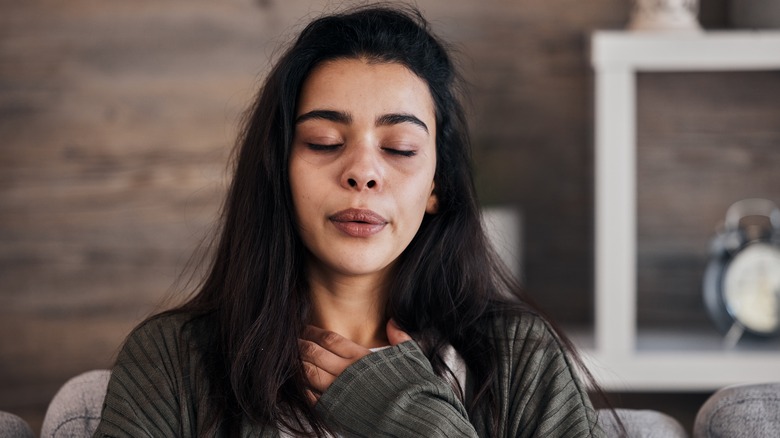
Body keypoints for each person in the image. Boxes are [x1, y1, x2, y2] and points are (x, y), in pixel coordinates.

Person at [93, 4, 610, 437]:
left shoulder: (521, 360)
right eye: (325, 142)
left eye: (399, 148)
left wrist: (425, 426)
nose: (363, 172)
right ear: (279, 169)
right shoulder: (171, 361)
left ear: (437, 186)